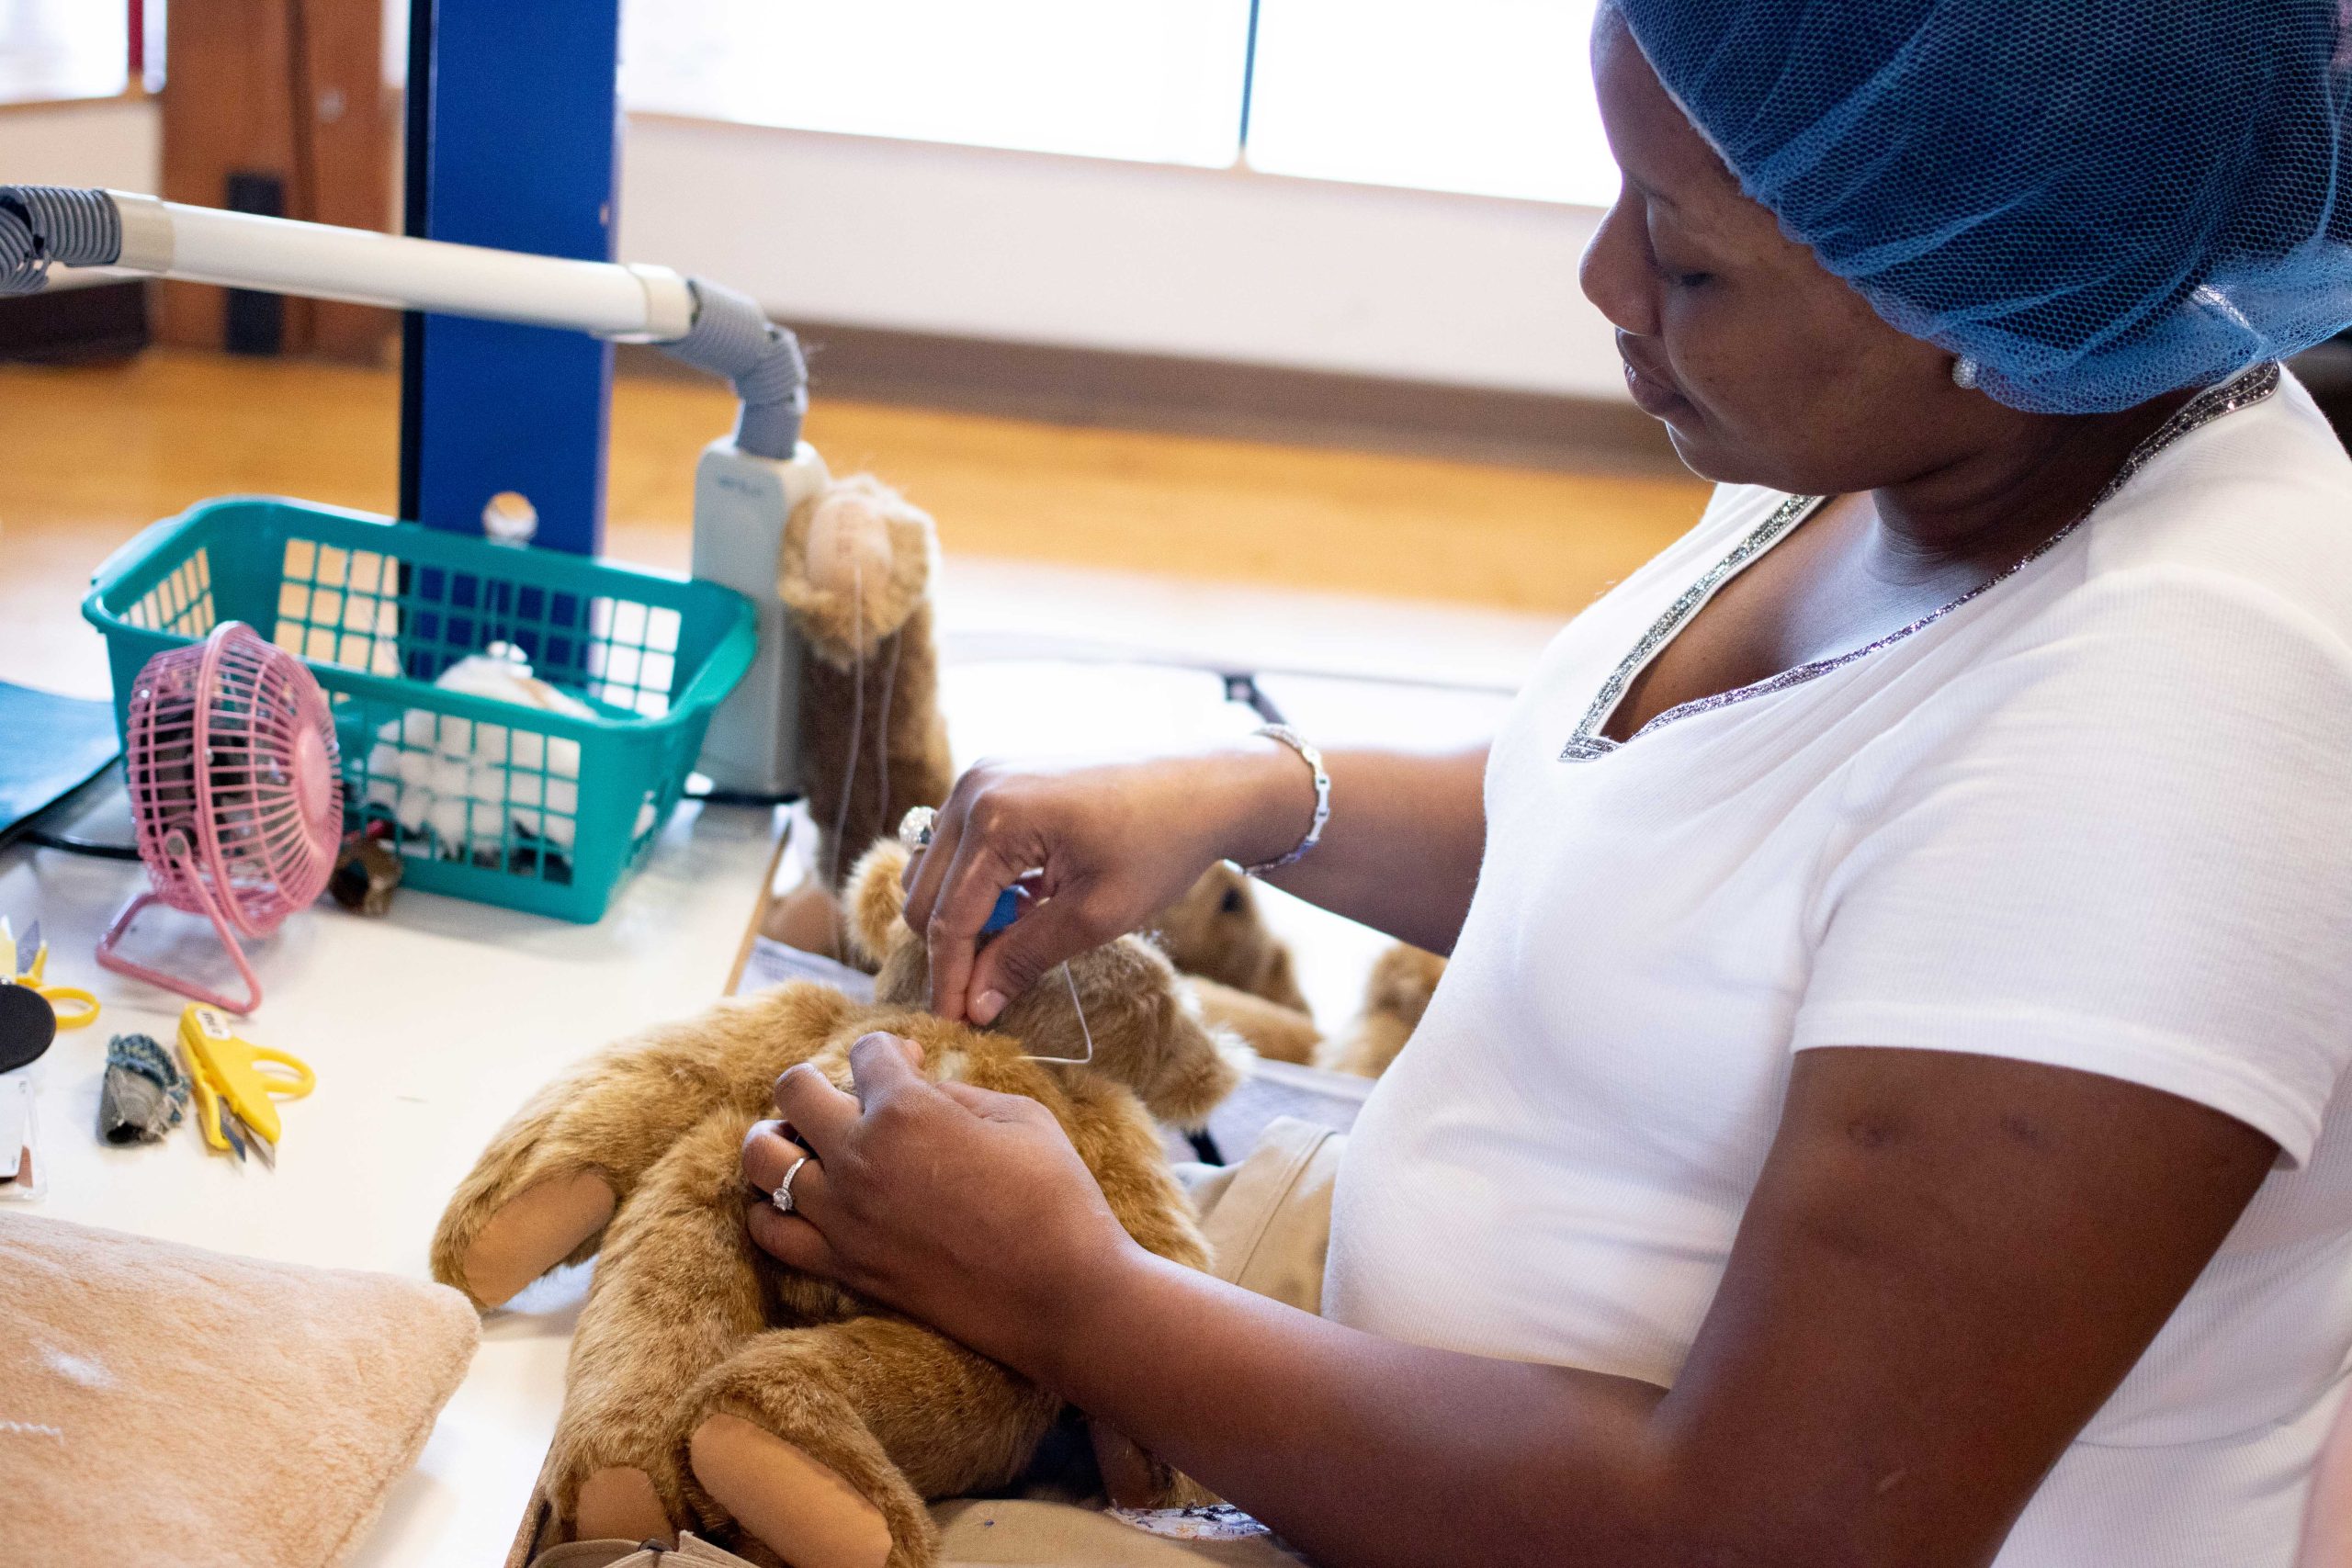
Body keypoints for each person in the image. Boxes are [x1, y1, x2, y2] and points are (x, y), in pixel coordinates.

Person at [736, 4, 2352, 1564]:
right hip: (1389, 1385)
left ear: (1960, 292)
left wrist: (1073, 1302)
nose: (1603, 278)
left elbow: (1772, 1541)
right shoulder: (1969, 419)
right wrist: (1247, 795)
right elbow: (1667, 854)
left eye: (1685, 250)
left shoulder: (2168, 732)